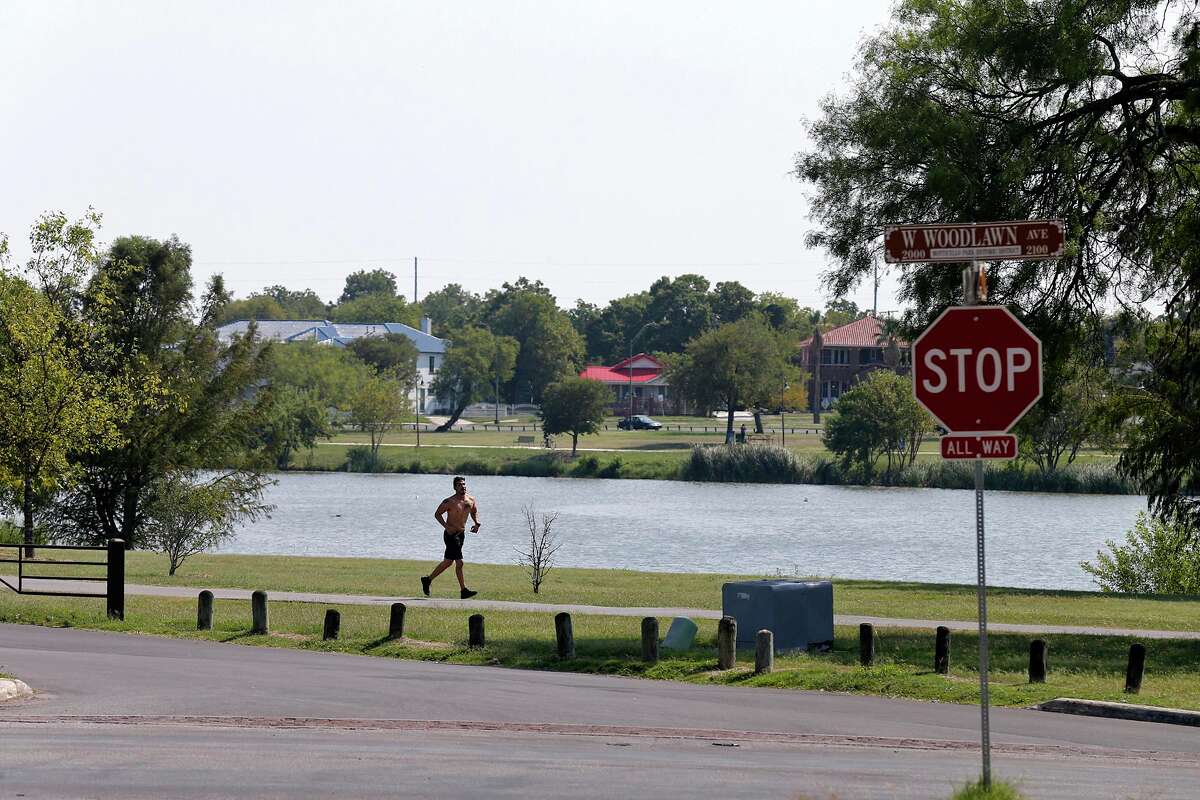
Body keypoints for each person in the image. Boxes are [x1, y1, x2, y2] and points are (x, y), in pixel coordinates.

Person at [421, 476, 481, 599]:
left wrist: (476, 523)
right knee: (459, 562)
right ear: (455, 487)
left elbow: (473, 511)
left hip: (461, 534)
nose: (463, 486)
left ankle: (427, 579)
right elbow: (437, 514)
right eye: (459, 485)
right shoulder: (449, 501)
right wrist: (446, 526)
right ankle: (463, 590)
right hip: (451, 535)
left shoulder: (471, 499)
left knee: (448, 562)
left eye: (464, 484)